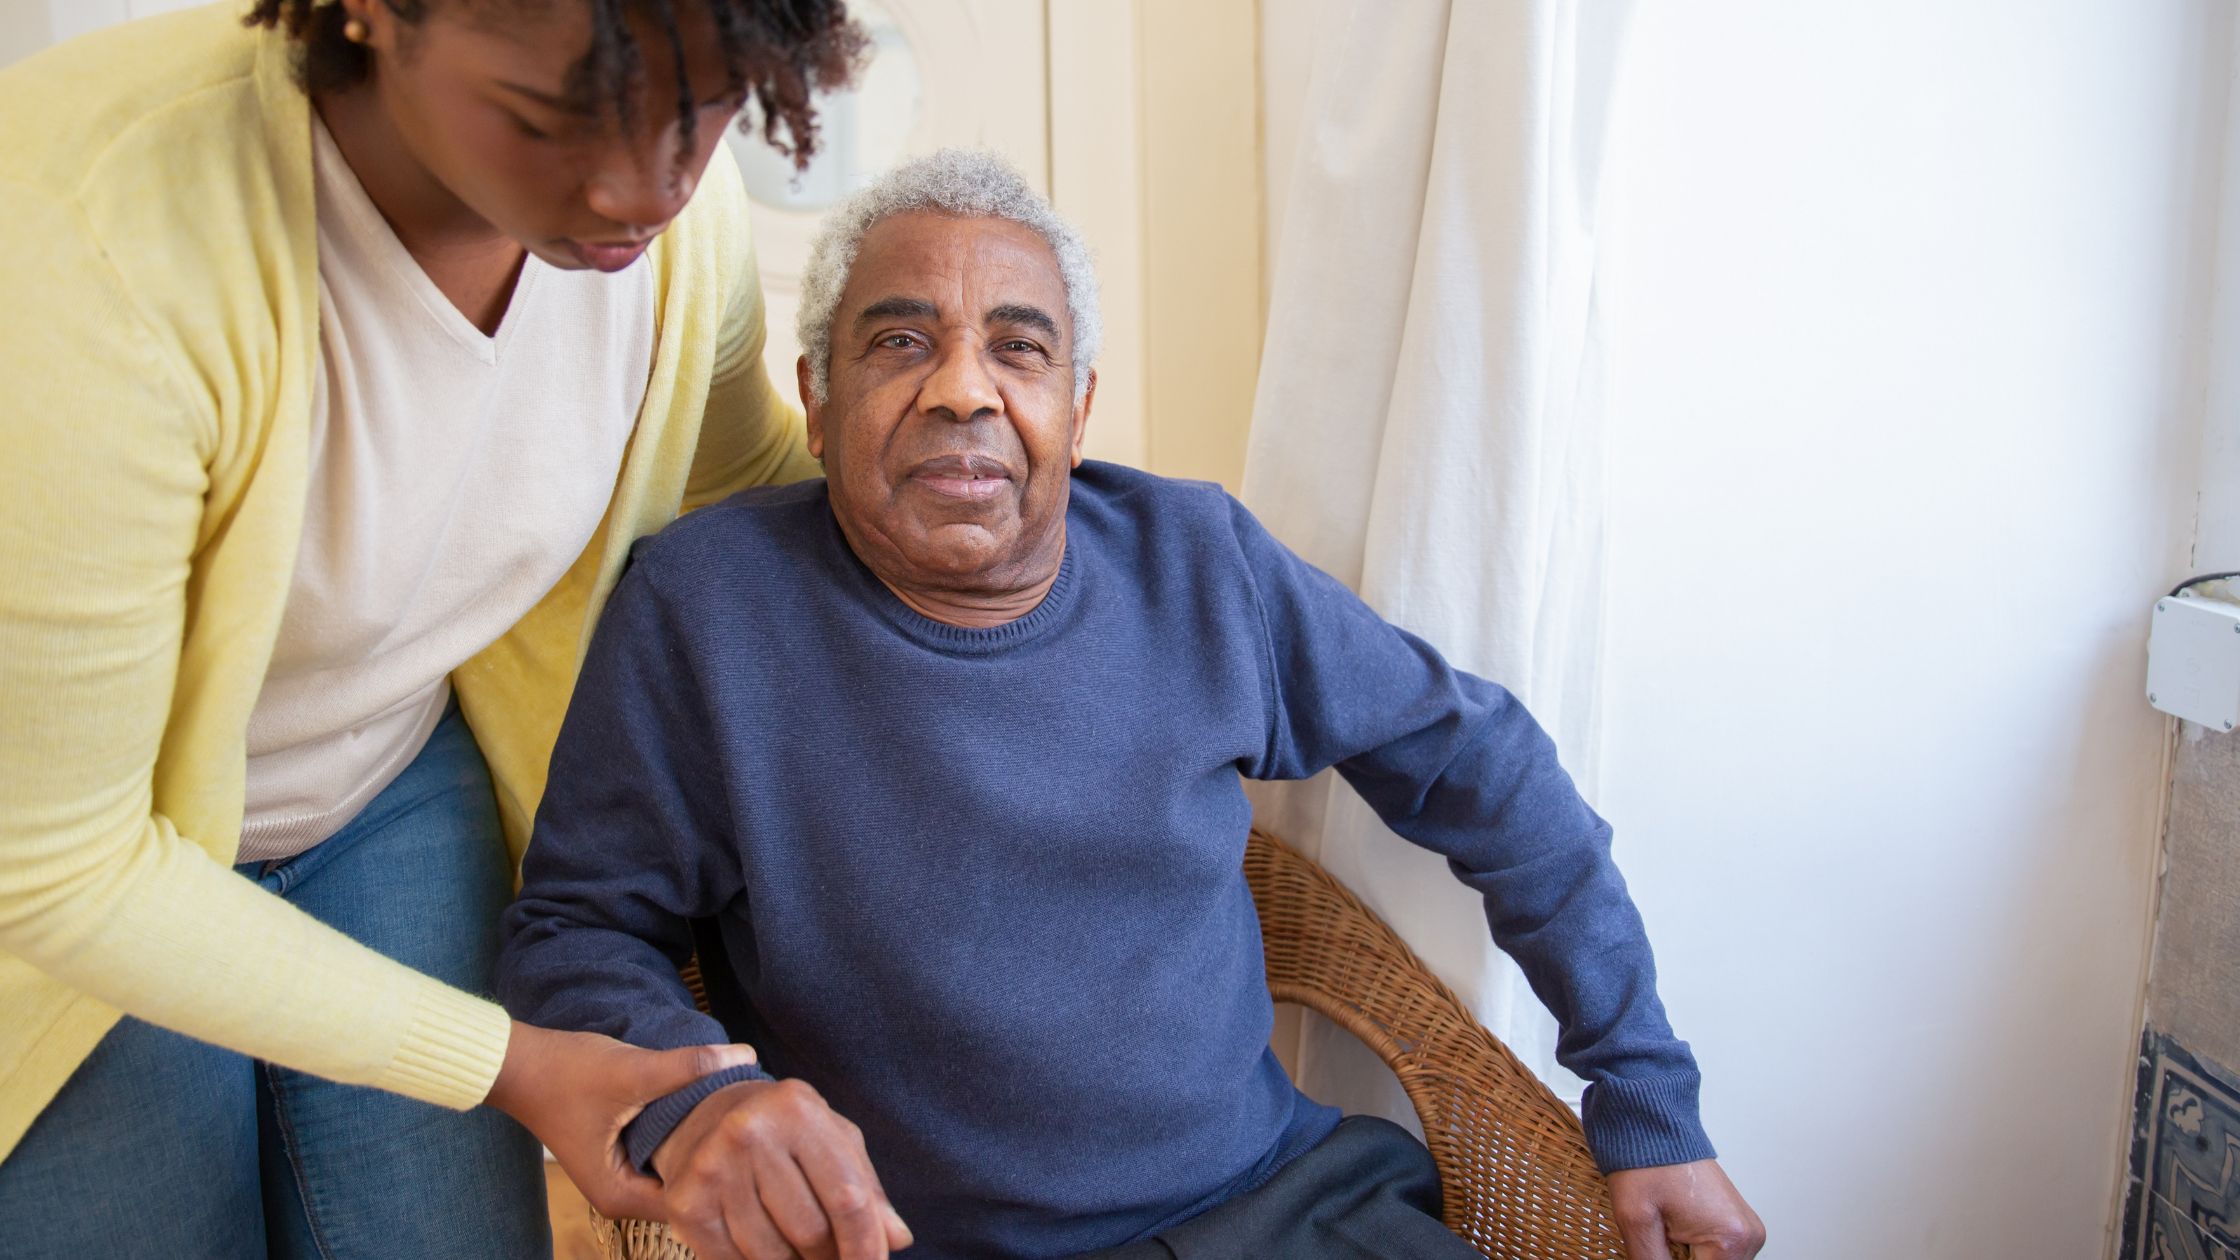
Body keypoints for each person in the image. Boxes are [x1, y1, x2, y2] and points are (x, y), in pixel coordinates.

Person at [496, 149, 1769, 1260]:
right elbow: (572, 932)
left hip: (1277, 1209)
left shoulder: (1196, 560)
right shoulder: (707, 606)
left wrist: (1642, 1095)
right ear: (817, 405)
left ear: (1077, 407)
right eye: (897, 342)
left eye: (1018, 345)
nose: (960, 390)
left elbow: (1483, 769)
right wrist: (701, 1101)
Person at [0, 1, 865, 1254]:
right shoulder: (85, 247)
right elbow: (57, 863)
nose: (641, 187)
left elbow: (744, 495)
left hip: (382, 777)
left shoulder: (679, 244)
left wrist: (1046, 535)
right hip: (62, 864)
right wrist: (509, 1064)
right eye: (544, 117)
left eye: (699, 110)